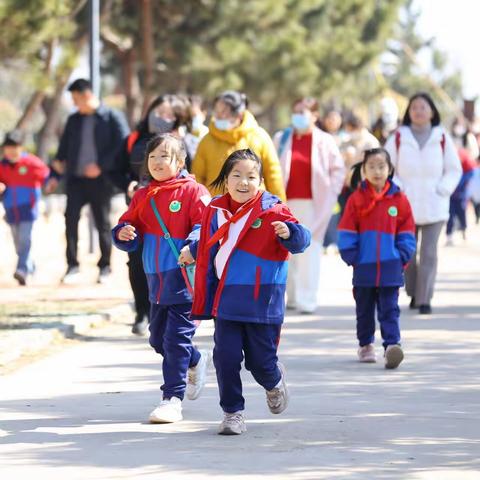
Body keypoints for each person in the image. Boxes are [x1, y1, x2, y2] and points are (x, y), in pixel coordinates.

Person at [181, 148, 310, 435]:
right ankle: (232, 413)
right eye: (236, 175)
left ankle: (274, 381)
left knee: (260, 362)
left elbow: (303, 240)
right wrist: (192, 250)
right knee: (224, 357)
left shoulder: (274, 210)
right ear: (225, 180)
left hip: (261, 303)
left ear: (261, 182)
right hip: (226, 301)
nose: (243, 182)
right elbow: (208, 242)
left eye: (251, 177)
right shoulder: (214, 210)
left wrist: (291, 234)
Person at [112, 133, 211, 424]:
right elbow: (127, 223)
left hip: (184, 279)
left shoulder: (194, 191)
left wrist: (192, 246)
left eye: (164, 156)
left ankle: (172, 399)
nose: (157, 162)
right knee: (158, 340)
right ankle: (195, 359)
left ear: (180, 161)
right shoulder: (143, 196)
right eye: (152, 157)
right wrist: (123, 233)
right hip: (155, 281)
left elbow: (204, 226)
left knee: (175, 340)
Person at [114, 94, 193, 335]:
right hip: (141, 208)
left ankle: (173, 313)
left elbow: (192, 174)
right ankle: (142, 311)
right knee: (137, 261)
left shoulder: (181, 143)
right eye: (159, 111)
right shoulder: (133, 139)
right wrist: (128, 184)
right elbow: (115, 170)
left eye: (170, 115)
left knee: (167, 263)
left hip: (173, 214)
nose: (163, 118)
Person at [45, 78, 129, 284]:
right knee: (70, 219)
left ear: (87, 95)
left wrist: (101, 165)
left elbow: (123, 145)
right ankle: (72, 265)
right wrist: (54, 176)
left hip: (102, 181)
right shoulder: (74, 120)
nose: (74, 104)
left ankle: (105, 267)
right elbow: (63, 149)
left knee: (102, 223)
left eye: (76, 99)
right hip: (75, 179)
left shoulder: (111, 117)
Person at [338, 148, 416, 368]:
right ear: (363, 170)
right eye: (371, 166)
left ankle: (392, 345)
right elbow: (346, 230)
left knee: (390, 308)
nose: (377, 171)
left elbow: (407, 232)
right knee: (364, 310)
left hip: (391, 268)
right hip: (364, 267)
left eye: (381, 166)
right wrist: (352, 256)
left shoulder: (399, 200)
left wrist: (402, 256)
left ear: (390, 170)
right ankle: (365, 345)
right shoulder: (356, 199)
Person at [384, 92, 462, 315]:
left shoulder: (442, 137)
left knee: (429, 252)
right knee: (407, 253)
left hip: (435, 205)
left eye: (423, 107)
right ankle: (413, 292)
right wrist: (400, 188)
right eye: (414, 107)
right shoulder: (399, 137)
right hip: (405, 206)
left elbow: (454, 169)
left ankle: (425, 298)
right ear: (408, 112)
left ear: (432, 112)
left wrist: (442, 189)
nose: (419, 111)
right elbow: (387, 166)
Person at [274, 97, 345, 313]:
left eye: (304, 112)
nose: (299, 116)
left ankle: (307, 299)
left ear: (315, 115)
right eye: (296, 111)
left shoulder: (325, 140)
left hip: (315, 203)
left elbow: (338, 170)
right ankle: (292, 297)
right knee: (285, 247)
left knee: (310, 248)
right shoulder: (283, 138)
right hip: (286, 202)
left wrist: (332, 193)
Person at [192, 90, 286, 200]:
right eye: (216, 111)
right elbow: (197, 177)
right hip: (216, 209)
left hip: (255, 209)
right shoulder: (207, 140)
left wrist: (280, 205)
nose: (218, 116)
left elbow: (272, 174)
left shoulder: (259, 137)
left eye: (224, 112)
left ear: (239, 114)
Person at [0, 130, 50, 285]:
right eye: (8, 147)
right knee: (17, 242)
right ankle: (29, 266)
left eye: (14, 146)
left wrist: (49, 184)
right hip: (10, 209)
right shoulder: (2, 166)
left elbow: (46, 177)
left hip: (28, 208)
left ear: (21, 147)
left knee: (24, 239)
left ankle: (21, 269)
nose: (11, 150)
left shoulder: (32, 162)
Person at [446, 147, 476, 245]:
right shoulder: (449, 164)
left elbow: (471, 177)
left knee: (461, 214)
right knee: (450, 215)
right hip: (451, 194)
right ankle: (449, 235)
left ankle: (463, 230)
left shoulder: (468, 166)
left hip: (461, 195)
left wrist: (462, 186)